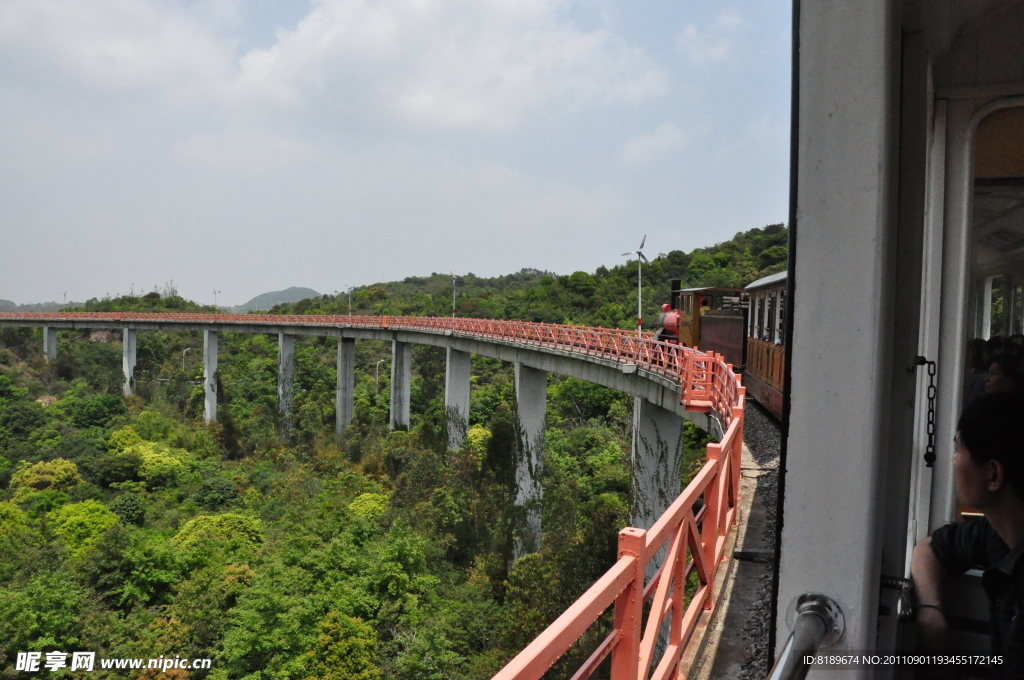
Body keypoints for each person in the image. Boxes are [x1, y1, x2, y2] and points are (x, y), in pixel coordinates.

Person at [911, 392, 1024, 678]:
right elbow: (932, 548)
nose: (953, 461)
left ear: (994, 475)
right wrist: (931, 611)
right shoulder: (998, 535)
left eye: (959, 450)